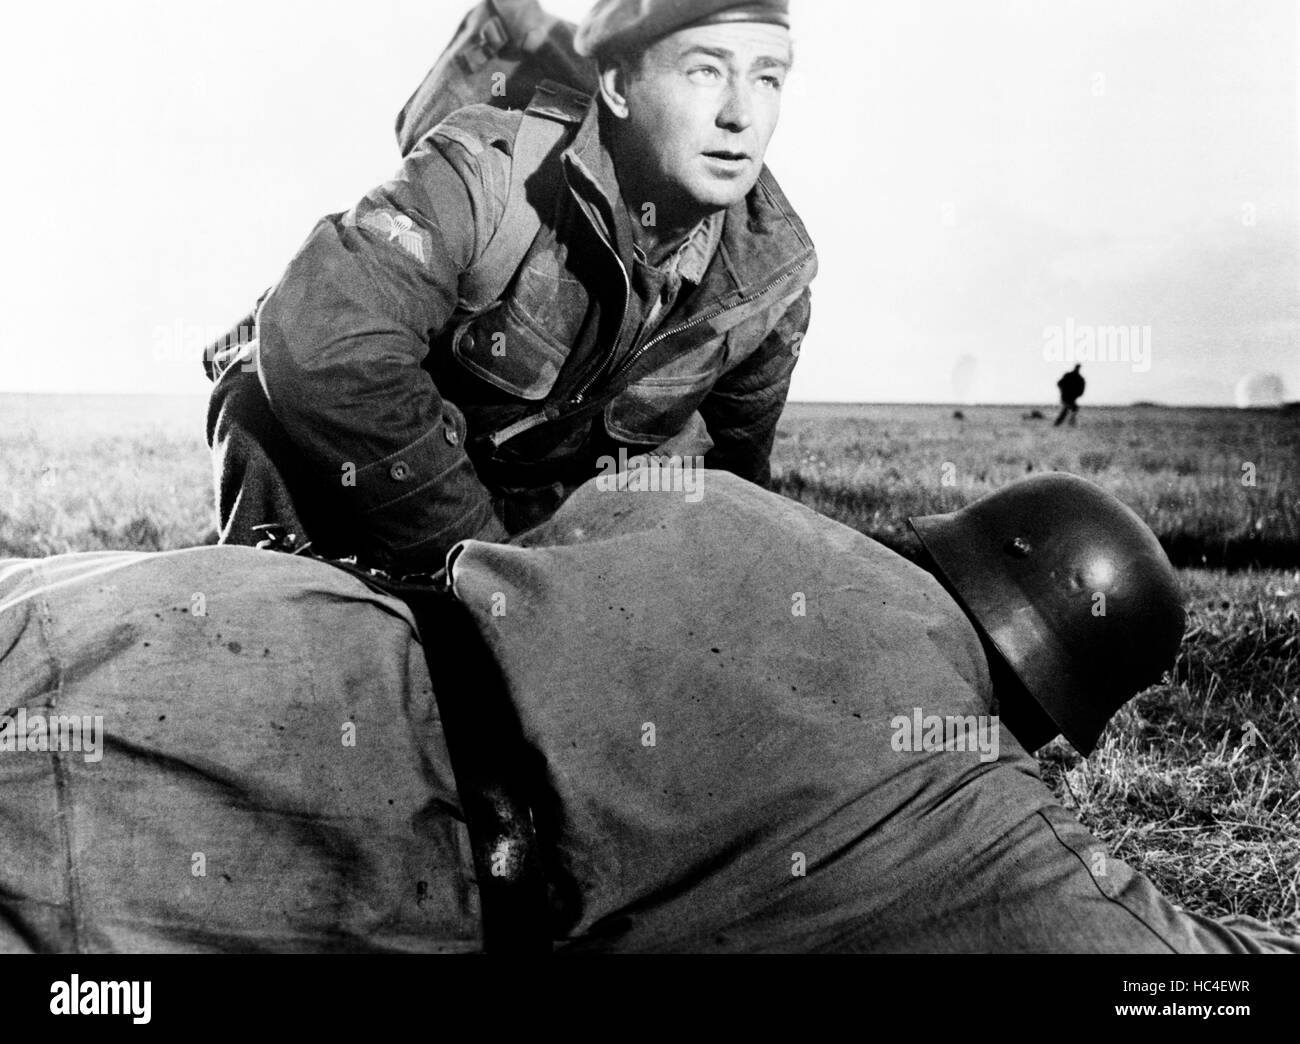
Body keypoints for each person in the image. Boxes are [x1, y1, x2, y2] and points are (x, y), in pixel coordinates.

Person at [1, 470, 1295, 953]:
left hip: (217, 609)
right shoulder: (958, 796)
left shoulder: (749, 512)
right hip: (284, 816)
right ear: (1059, 720)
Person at [205, 0, 816, 576]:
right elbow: (324, 344)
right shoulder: (488, 172)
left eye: (767, 79)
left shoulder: (767, 283)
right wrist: (488, 571)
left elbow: (735, 490)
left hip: (534, 520)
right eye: (705, 70)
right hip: (367, 486)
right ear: (617, 85)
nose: (740, 115)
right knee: (263, 399)